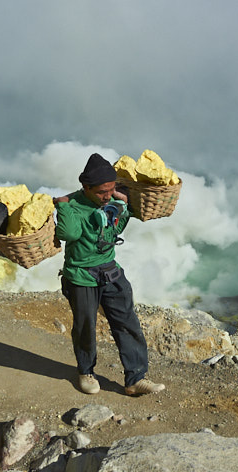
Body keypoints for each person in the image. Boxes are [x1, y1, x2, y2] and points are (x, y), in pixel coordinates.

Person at [52, 153, 165, 396]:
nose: (107, 196)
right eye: (102, 191)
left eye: (111, 189)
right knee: (85, 326)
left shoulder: (110, 203)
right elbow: (69, 234)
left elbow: (114, 231)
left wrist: (122, 206)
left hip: (110, 270)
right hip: (81, 275)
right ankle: (86, 372)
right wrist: (62, 206)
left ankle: (135, 379)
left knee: (127, 322)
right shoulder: (72, 205)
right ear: (86, 187)